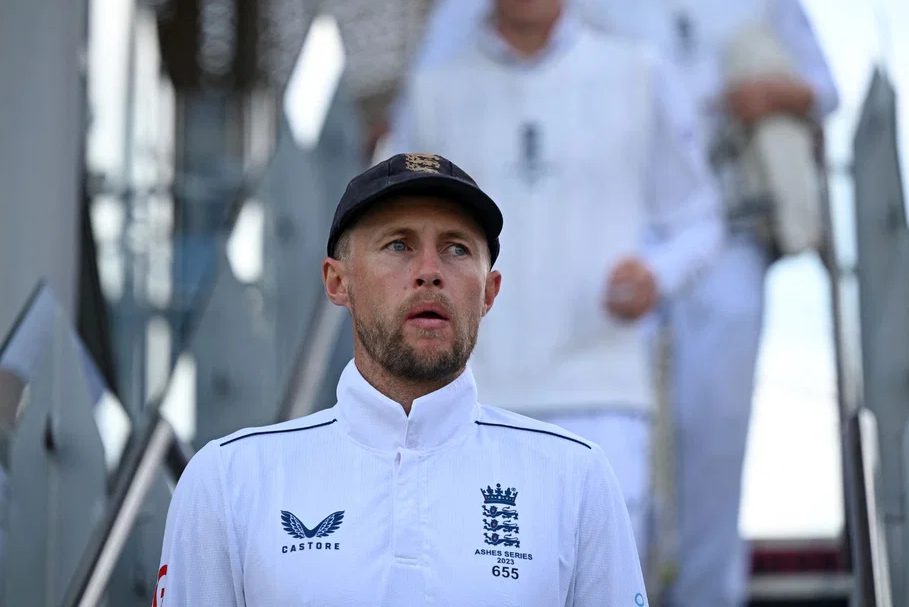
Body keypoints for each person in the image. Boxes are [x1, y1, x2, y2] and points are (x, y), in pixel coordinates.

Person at [400, 0, 839, 605]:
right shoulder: (455, 70)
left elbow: (820, 89)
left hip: (713, 228)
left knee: (713, 430)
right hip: (565, 275)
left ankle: (705, 594)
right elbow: (429, 109)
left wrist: (774, 95)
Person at [153, 153, 649, 607]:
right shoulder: (229, 480)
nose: (429, 272)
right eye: (398, 244)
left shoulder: (575, 478)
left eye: (456, 249)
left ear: (489, 292)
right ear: (337, 281)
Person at [381, 0, 725, 574]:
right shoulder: (434, 92)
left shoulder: (640, 72)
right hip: (463, 398)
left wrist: (657, 276)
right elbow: (388, 234)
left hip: (603, 396)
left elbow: (700, 219)